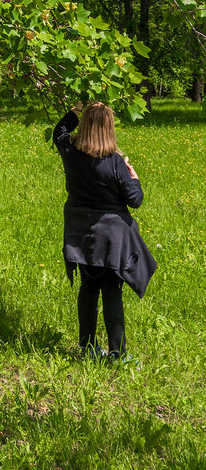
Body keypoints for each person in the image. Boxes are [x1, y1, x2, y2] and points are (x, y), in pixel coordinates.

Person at [52, 101, 157, 361]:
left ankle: (87, 346)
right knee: (112, 291)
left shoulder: (70, 152)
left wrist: (76, 109)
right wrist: (134, 177)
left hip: (81, 233)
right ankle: (117, 353)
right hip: (111, 238)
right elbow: (136, 200)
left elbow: (60, 131)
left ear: (85, 124)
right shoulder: (116, 163)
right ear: (109, 128)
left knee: (88, 287)